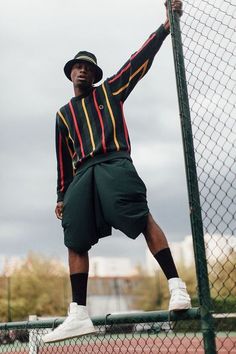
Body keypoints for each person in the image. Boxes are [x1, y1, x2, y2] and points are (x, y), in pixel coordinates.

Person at [42, 0, 191, 343]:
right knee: (74, 236)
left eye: (88, 68)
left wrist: (165, 27)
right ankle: (78, 313)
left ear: (95, 75)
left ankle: (176, 286)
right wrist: (62, 195)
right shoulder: (63, 115)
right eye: (77, 67)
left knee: (140, 216)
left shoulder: (110, 91)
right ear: (70, 73)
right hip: (81, 175)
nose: (82, 71)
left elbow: (138, 62)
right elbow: (62, 159)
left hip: (114, 162)